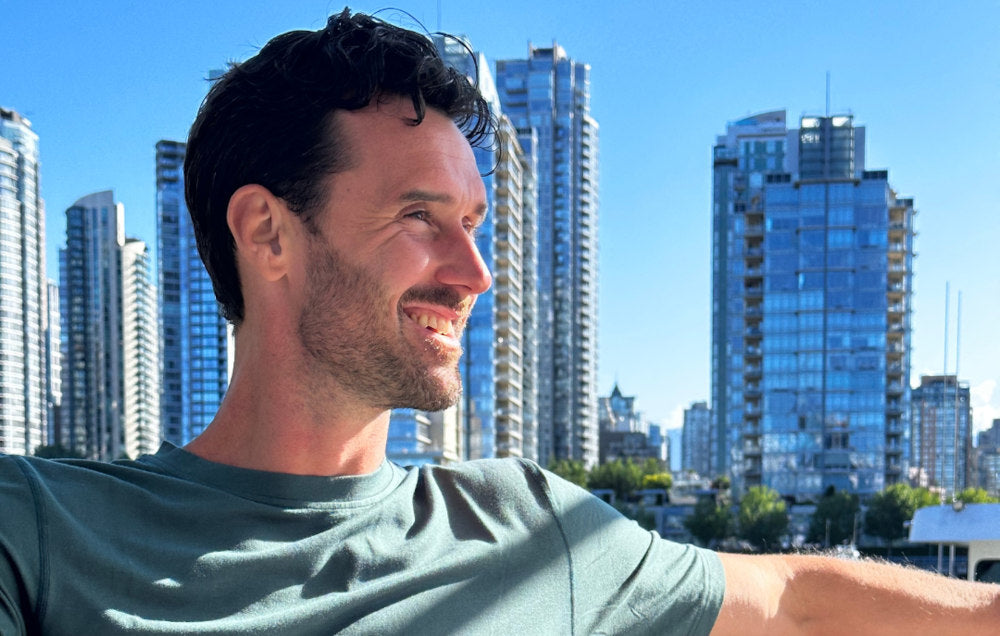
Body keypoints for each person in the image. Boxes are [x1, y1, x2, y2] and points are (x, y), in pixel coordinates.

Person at [0, 9, 997, 635]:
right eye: (420, 219)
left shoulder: (531, 526)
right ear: (268, 232)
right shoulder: (41, 530)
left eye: (475, 226)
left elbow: (793, 602)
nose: (475, 272)